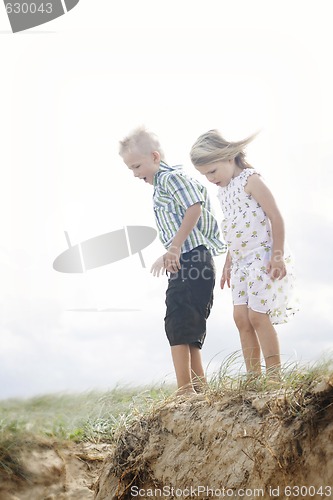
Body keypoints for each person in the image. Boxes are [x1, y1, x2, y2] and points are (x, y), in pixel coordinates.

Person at [119, 127, 226, 395]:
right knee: (188, 323)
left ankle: (185, 389)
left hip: (192, 259)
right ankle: (199, 388)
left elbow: (194, 207)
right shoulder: (162, 186)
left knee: (178, 319)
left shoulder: (169, 179)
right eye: (130, 169)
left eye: (136, 166)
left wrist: (175, 248)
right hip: (192, 259)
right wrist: (171, 251)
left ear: (154, 157)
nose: (134, 174)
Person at [190, 130, 298, 379]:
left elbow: (276, 217)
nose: (209, 179)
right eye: (204, 175)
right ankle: (253, 378)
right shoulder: (224, 191)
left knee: (258, 315)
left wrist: (278, 254)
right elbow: (235, 229)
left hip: (262, 256)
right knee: (240, 317)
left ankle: (274, 377)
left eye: (212, 171)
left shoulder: (251, 180)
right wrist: (228, 262)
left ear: (229, 158)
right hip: (240, 262)